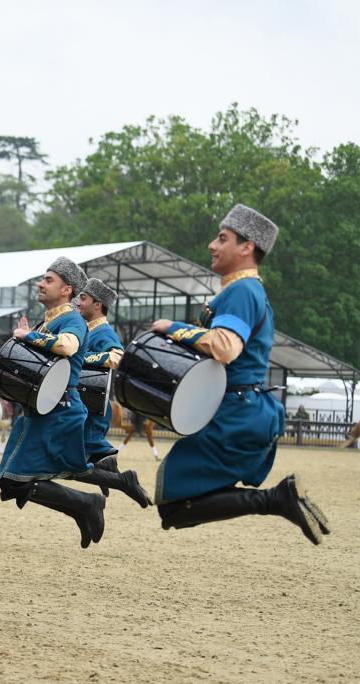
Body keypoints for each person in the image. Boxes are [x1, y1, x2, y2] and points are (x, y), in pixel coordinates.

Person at [151, 205, 328, 544]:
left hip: (237, 411)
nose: (211, 246)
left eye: (222, 238)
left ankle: (279, 499)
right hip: (242, 407)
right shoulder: (245, 291)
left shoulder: (242, 291)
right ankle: (278, 499)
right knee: (175, 504)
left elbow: (225, 346)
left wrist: (172, 328)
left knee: (175, 503)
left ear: (247, 247)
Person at [0, 258, 106, 548]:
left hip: (60, 410)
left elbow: (68, 345)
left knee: (16, 481)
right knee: (11, 481)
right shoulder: (46, 322)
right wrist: (26, 338)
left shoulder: (72, 320)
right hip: (41, 410)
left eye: (48, 280)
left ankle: (88, 503)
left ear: (66, 289)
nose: (40, 284)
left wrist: (28, 336)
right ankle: (85, 507)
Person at [71, 278, 151, 509]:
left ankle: (116, 476)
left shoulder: (103, 332)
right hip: (86, 407)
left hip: (93, 409)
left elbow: (118, 356)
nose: (78, 302)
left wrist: (81, 359)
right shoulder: (86, 331)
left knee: (70, 464)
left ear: (98, 305)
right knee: (75, 463)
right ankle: (108, 466)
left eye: (83, 298)